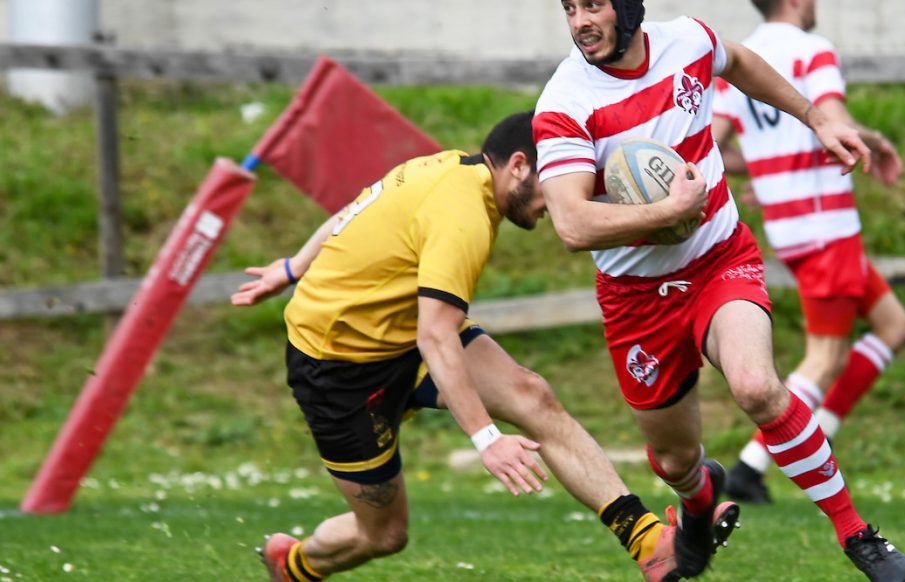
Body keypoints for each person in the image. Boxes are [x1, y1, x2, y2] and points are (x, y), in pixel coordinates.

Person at [534, 1, 905, 580]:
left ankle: (856, 533)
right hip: (635, 299)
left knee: (759, 388)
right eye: (570, 8)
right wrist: (666, 210)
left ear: (629, 8)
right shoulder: (565, 102)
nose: (581, 20)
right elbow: (571, 224)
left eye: (594, 5)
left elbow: (737, 61)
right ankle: (697, 502)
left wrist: (817, 117)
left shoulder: (686, 41)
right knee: (675, 460)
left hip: (718, 260)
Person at [233, 112, 684, 582]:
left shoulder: (449, 167)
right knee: (384, 535)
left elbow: (351, 214)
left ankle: (648, 540)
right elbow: (436, 335)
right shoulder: (463, 216)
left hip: (403, 333)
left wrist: (292, 266)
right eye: (557, 183)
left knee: (533, 397)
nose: (561, 203)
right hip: (338, 369)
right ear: (518, 165)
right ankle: (294, 567)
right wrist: (487, 439)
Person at [710, 0, 905, 506]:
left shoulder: (738, 59)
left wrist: (767, 167)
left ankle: (811, 443)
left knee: (894, 326)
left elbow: (711, 145)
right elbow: (835, 121)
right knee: (824, 358)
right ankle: (749, 468)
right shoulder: (811, 51)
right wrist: (877, 140)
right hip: (828, 229)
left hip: (792, 229)